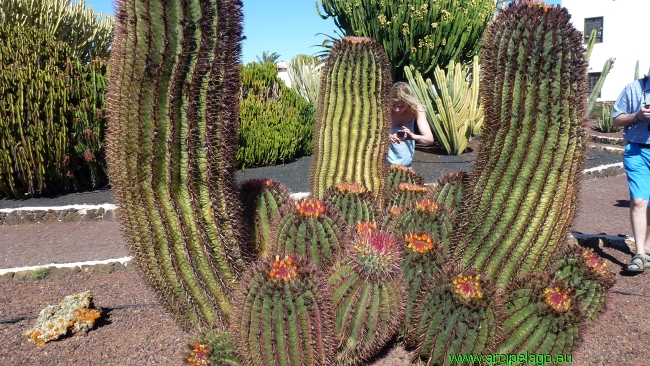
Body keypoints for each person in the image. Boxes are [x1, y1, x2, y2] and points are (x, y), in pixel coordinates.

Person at [612, 75, 650, 272]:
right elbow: (616, 119)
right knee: (638, 201)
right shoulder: (633, 88)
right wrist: (637, 116)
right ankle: (639, 254)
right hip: (637, 151)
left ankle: (648, 248)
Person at [387, 82, 434, 168]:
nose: (397, 109)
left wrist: (413, 136)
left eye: (401, 106)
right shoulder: (385, 108)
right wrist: (387, 137)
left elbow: (429, 139)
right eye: (394, 105)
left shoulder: (416, 109)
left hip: (406, 163)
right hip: (384, 163)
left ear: (409, 102)